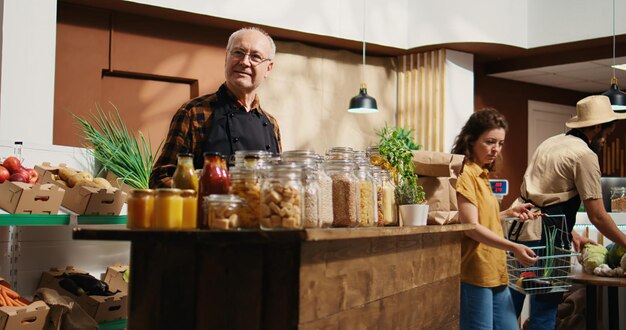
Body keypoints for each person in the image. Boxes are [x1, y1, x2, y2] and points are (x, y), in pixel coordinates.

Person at [510, 95, 626, 330]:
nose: (605, 139)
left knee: (510, 307)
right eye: (605, 133)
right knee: (545, 310)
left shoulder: (550, 142)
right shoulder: (585, 155)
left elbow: (542, 196)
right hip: (549, 243)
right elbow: (598, 215)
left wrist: (571, 233)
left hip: (518, 232)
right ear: (595, 127)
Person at [149, 26, 282, 188]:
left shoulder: (271, 124)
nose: (245, 62)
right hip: (209, 212)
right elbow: (161, 177)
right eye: (238, 52)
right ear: (226, 58)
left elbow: (277, 185)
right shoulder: (194, 112)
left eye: (255, 56)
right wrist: (206, 195)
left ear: (268, 68)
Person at [452, 108, 539, 330]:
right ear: (471, 140)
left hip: (497, 271)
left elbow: (481, 218)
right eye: (490, 142)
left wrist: (507, 214)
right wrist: (514, 246)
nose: (496, 149)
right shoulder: (465, 174)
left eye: (500, 143)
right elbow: (471, 227)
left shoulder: (482, 174)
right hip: (476, 273)